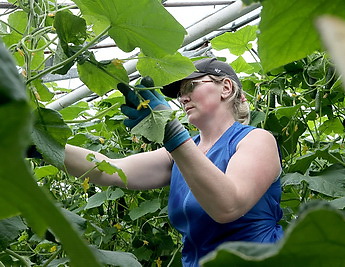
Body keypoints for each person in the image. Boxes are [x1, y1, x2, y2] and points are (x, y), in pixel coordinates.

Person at [64, 57, 283, 267]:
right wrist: (43, 144)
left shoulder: (255, 140)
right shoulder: (178, 154)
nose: (183, 98)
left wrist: (173, 134)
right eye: (179, 93)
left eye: (191, 87)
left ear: (226, 88)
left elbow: (228, 206)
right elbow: (109, 170)